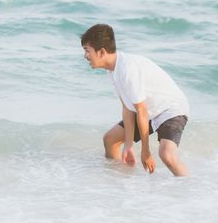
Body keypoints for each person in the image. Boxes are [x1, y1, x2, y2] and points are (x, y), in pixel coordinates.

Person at [81, 24, 189, 176]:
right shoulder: (112, 70)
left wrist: (145, 151)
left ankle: (188, 189)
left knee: (167, 155)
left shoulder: (127, 69)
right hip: (148, 111)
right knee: (110, 140)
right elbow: (127, 108)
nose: (85, 55)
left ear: (102, 52)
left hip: (169, 109)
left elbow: (141, 110)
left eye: (87, 50)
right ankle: (122, 184)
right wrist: (129, 146)